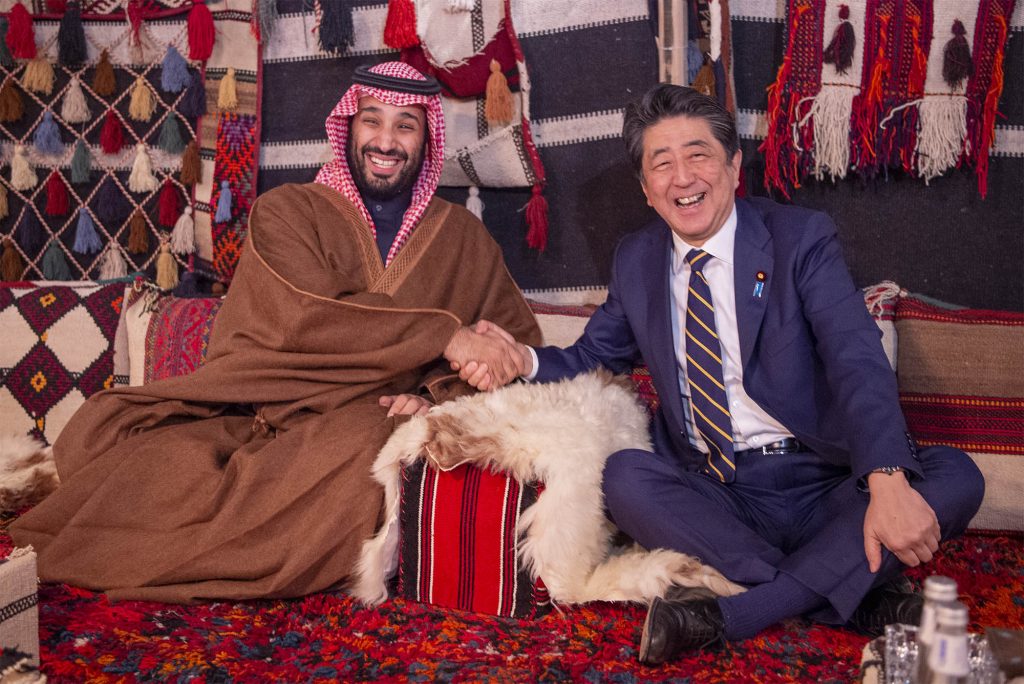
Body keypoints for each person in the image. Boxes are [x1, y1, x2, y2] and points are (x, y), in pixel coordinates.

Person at [463, 84, 983, 663]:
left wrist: (886, 482)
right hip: (719, 493)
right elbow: (590, 359)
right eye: (662, 163)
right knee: (625, 478)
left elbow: (855, 358)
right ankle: (857, 595)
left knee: (955, 475)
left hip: (828, 483)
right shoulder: (637, 260)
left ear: (734, 166)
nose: (683, 177)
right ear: (645, 189)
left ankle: (742, 609)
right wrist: (521, 359)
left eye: (699, 155)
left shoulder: (800, 238)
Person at [10, 62, 541, 603]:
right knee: (136, 451)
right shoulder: (286, 212)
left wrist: (434, 396)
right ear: (348, 128)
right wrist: (447, 338)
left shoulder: (464, 240)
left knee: (367, 447)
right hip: (264, 412)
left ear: (426, 138)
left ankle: (225, 557)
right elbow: (308, 316)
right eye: (372, 121)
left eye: (406, 125)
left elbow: (515, 348)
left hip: (370, 423)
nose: (386, 140)